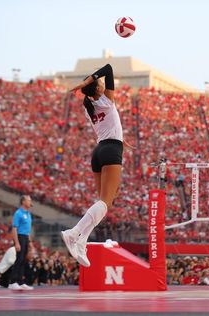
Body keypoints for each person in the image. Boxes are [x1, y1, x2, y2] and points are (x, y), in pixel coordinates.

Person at [61, 63, 134, 267]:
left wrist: (120, 138)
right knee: (105, 202)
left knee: (104, 204)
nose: (104, 83)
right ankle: (74, 233)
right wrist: (85, 81)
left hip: (100, 150)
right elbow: (110, 68)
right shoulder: (105, 100)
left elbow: (108, 126)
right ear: (99, 89)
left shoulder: (90, 108)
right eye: (100, 83)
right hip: (110, 151)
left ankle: (82, 241)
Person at [9, 195, 34, 290]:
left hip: (25, 237)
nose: (30, 202)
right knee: (19, 259)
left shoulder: (28, 214)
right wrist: (16, 242)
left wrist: (30, 242)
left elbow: (28, 230)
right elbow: (14, 228)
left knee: (24, 260)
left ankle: (20, 281)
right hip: (19, 236)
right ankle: (13, 281)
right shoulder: (18, 213)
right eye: (29, 200)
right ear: (23, 202)